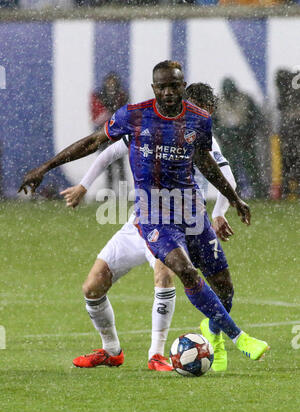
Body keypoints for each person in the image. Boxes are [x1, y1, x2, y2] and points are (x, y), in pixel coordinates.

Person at [19, 60, 270, 369]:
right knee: (183, 271)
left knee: (224, 286)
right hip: (154, 216)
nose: (167, 91)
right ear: (154, 88)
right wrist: (45, 168)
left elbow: (206, 163)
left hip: (191, 213)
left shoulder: (199, 120)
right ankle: (237, 338)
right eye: (161, 86)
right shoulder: (135, 116)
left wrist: (234, 200)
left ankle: (213, 332)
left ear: (182, 87)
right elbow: (95, 143)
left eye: (173, 86)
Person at [61, 82, 237, 372]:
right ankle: (111, 351)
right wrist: (83, 185)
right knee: (92, 287)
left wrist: (219, 212)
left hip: (174, 225)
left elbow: (227, 179)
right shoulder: (154, 129)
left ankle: (156, 353)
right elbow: (108, 152)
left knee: (165, 274)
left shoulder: (204, 140)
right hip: (138, 222)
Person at [213, 78, 264, 199]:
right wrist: (223, 134)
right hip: (228, 141)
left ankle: (259, 192)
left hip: (245, 140)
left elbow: (257, 118)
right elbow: (213, 123)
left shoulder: (246, 99)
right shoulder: (218, 103)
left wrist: (247, 131)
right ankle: (233, 193)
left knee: (251, 166)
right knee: (229, 168)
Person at [90, 72, 128, 191]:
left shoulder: (122, 95)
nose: (111, 84)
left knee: (120, 165)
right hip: (106, 135)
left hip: (118, 135)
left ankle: (123, 192)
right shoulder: (100, 96)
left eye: (113, 82)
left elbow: (126, 113)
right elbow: (97, 117)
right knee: (108, 165)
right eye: (109, 82)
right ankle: (110, 190)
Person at [275, 69, 300, 200]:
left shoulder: (288, 93)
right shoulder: (287, 94)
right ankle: (287, 189)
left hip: (291, 132)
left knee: (289, 161)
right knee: (289, 161)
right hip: (289, 132)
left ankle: (287, 190)